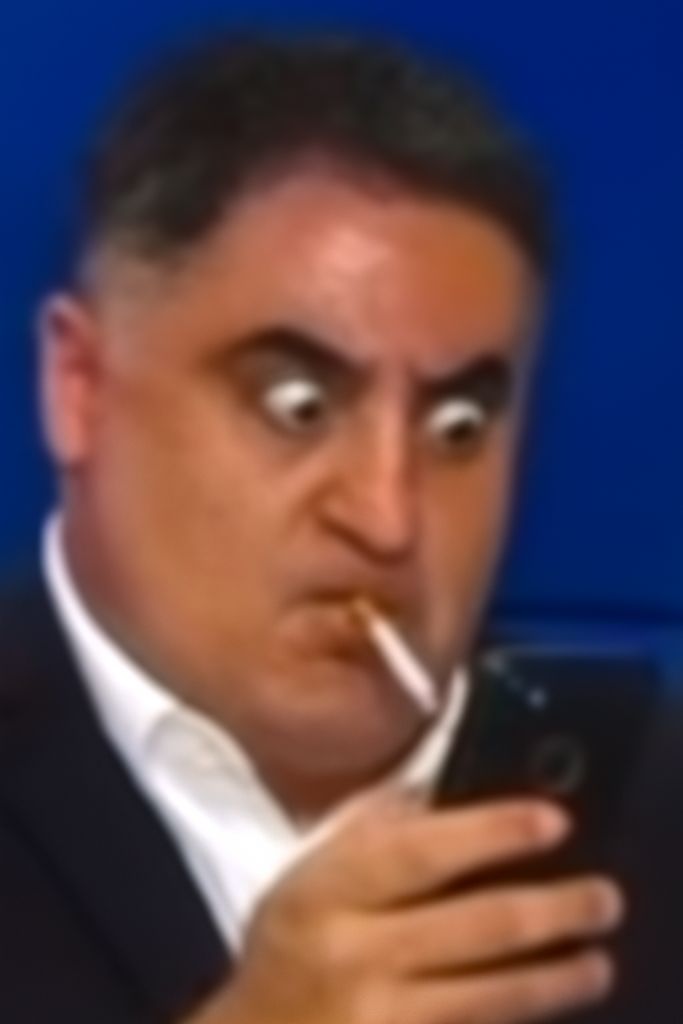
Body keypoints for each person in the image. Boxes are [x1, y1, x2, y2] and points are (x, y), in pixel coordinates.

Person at [1, 32, 681, 1024]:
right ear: (80, 387)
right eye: (298, 406)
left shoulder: (652, 815)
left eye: (457, 426)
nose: (386, 517)